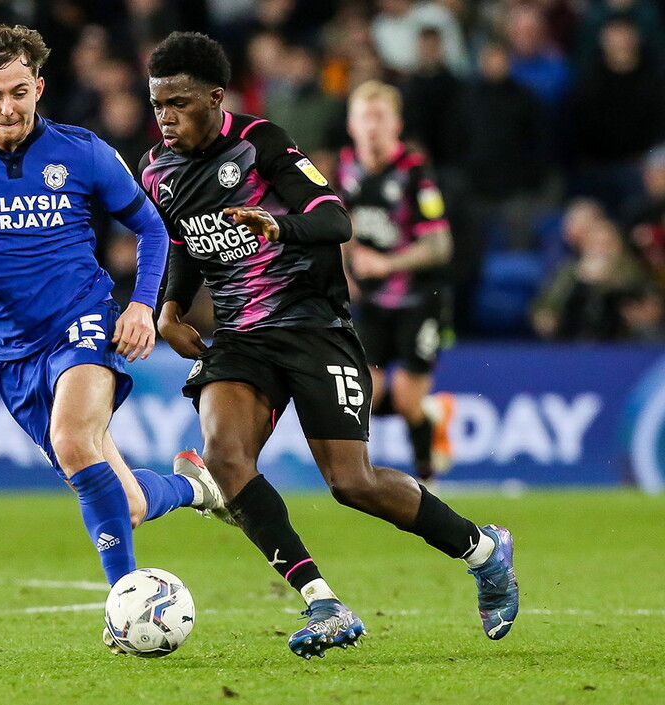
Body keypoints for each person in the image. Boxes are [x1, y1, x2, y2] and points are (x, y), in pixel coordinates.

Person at [143, 31, 518, 660]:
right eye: (158, 105)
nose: (166, 117)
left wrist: (277, 225)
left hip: (313, 326)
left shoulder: (260, 143)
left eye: (179, 103)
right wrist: (170, 308)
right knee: (226, 457)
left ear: (215, 96)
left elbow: (335, 219)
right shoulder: (158, 170)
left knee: (352, 483)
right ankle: (324, 603)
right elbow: (181, 244)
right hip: (240, 339)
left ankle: (484, 550)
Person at [0, 24, 227, 646]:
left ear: (39, 88)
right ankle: (195, 486)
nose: (7, 108)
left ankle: (127, 606)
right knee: (126, 504)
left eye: (19, 92)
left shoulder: (82, 152)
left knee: (73, 438)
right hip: (10, 348)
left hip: (82, 320)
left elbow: (154, 231)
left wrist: (140, 307)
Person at [337, 79, 455, 483]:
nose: (372, 126)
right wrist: (346, 270)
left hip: (421, 298)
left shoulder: (415, 174)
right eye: (364, 117)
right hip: (371, 301)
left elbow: (440, 245)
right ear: (351, 125)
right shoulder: (347, 168)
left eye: (380, 117)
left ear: (396, 124)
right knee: (366, 394)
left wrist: (386, 264)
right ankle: (362, 479)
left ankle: (428, 478)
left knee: (406, 399)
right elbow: (342, 225)